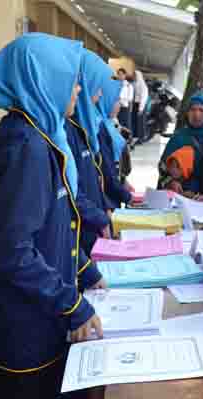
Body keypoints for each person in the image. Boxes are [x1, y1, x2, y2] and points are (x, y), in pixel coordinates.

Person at [0, 33, 104, 399]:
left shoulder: (39, 135)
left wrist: (84, 269)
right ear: (44, 79)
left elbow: (52, 226)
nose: (78, 89)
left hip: (34, 321)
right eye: (70, 78)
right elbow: (12, 251)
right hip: (20, 340)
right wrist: (72, 304)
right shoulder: (26, 146)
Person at [67, 49, 114, 254]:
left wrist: (104, 207)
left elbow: (93, 176)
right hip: (83, 232)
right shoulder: (65, 131)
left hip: (92, 226)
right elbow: (73, 190)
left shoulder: (83, 125)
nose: (101, 93)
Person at [157, 93, 203, 195]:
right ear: (187, 112)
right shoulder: (179, 137)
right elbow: (163, 166)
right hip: (183, 193)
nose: (196, 114)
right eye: (193, 109)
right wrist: (171, 182)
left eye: (201, 110)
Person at [98, 77, 133, 209]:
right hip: (108, 196)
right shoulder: (99, 127)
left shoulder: (111, 123)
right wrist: (127, 196)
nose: (119, 104)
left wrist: (123, 181)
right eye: (116, 99)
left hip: (116, 190)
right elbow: (106, 170)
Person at [132, 70, 149, 144]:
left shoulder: (143, 85)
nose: (134, 77)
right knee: (136, 122)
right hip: (136, 104)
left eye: (135, 75)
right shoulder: (135, 84)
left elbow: (143, 97)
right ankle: (137, 137)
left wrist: (140, 108)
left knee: (140, 122)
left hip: (140, 105)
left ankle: (141, 138)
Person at [116, 67, 134, 132]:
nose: (120, 76)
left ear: (125, 75)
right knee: (118, 123)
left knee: (126, 124)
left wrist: (121, 98)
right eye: (118, 74)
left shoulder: (129, 85)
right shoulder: (115, 84)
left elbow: (130, 98)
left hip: (124, 107)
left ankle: (128, 138)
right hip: (116, 106)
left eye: (121, 74)